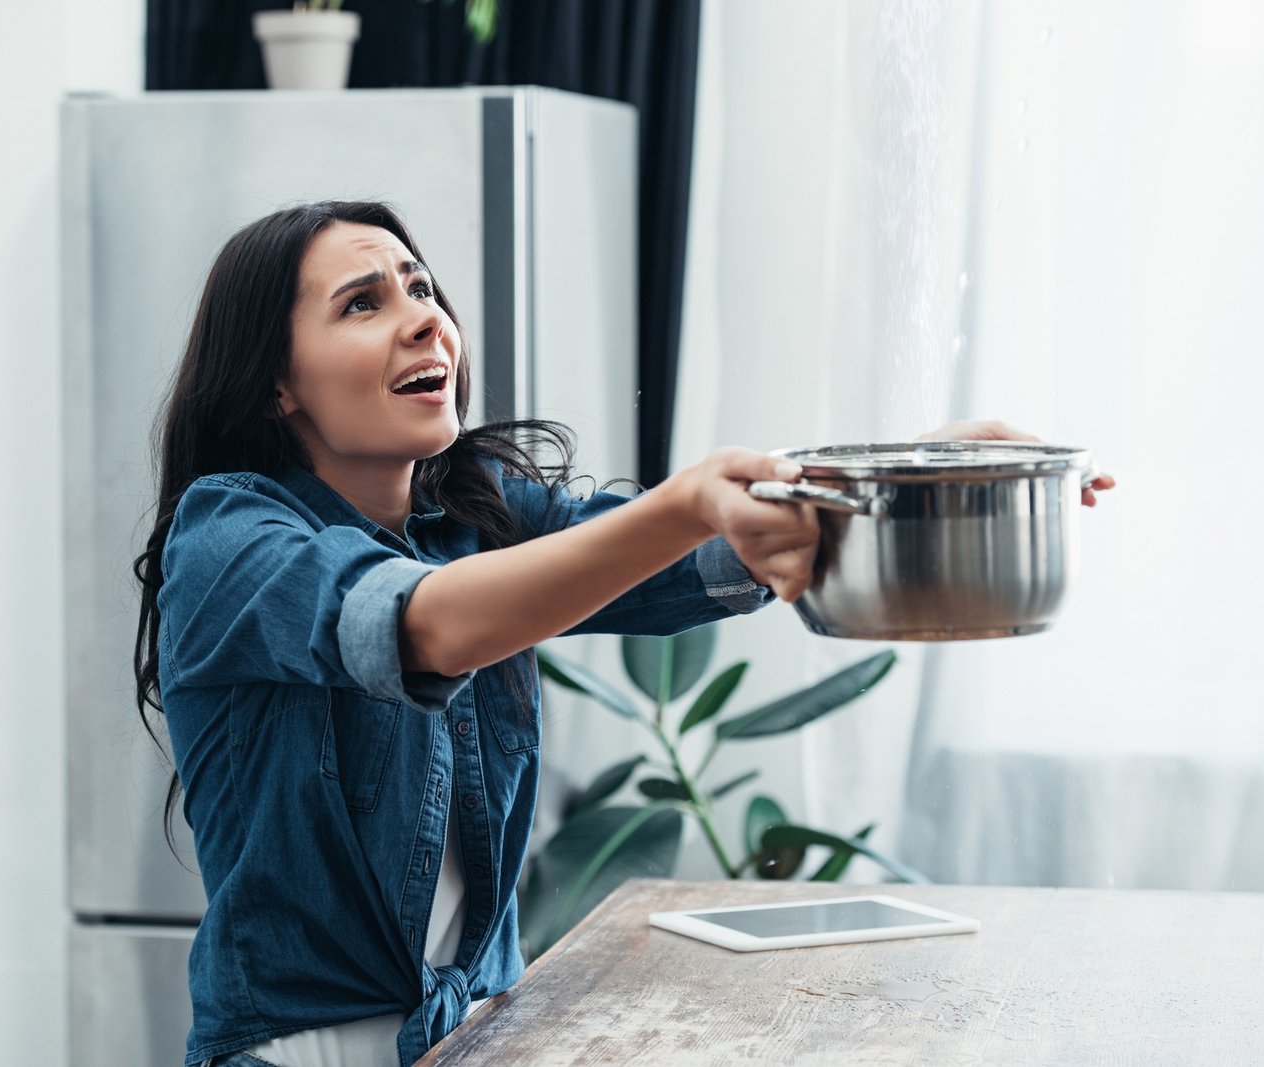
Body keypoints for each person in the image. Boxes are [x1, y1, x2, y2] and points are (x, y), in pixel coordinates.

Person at [132, 200, 1112, 1067]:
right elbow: (423, 624)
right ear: (276, 386)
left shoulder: (473, 518)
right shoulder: (226, 536)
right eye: (363, 303)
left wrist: (927, 472)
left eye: (421, 288)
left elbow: (697, 557)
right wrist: (689, 504)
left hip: (478, 1034)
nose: (425, 317)